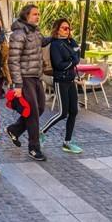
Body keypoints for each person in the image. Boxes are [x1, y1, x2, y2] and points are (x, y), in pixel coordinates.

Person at [6, 4, 47, 161]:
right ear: (26, 15)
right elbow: (13, 60)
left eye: (39, 14)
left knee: (41, 108)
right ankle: (34, 148)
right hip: (25, 78)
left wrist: (57, 35)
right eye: (35, 14)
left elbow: (42, 42)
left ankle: (15, 130)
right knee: (33, 113)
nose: (38, 16)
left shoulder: (35, 31)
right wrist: (17, 85)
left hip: (36, 76)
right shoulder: (18, 33)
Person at [41, 19, 82, 154]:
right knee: (63, 113)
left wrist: (74, 58)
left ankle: (67, 142)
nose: (67, 30)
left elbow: (77, 53)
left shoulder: (70, 41)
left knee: (74, 111)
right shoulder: (56, 44)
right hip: (61, 80)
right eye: (64, 28)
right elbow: (59, 64)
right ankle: (41, 132)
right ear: (57, 29)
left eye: (68, 28)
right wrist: (73, 61)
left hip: (71, 80)